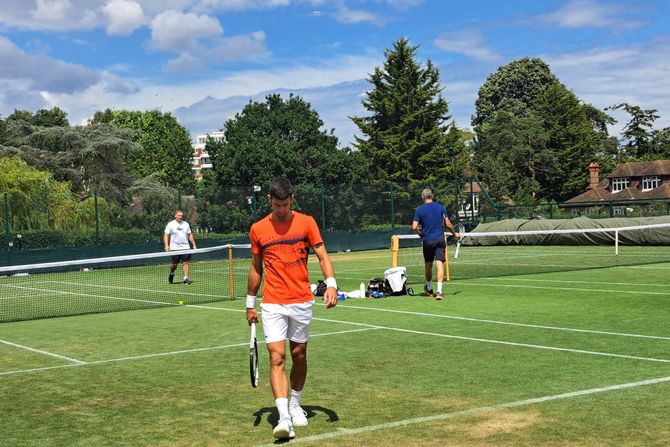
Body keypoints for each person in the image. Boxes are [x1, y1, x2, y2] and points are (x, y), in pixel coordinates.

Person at [245, 177, 338, 440]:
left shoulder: (307, 223)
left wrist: (331, 285)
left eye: (285, 204)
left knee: (299, 355)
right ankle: (284, 416)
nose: (281, 209)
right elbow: (255, 268)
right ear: (269, 201)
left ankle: (296, 404)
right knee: (277, 358)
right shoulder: (258, 229)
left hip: (301, 300)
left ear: (292, 200)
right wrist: (250, 303)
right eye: (277, 205)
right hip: (273, 302)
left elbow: (322, 254)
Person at [411, 188, 459, 300]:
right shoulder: (441, 208)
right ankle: (439, 291)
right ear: (431, 196)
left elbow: (414, 227)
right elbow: (448, 223)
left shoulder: (419, 210)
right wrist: (454, 233)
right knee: (439, 264)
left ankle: (429, 286)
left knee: (428, 265)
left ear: (423, 197)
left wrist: (420, 234)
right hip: (440, 240)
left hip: (427, 241)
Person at [163, 210, 197, 284]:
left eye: (181, 216)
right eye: (179, 215)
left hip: (186, 247)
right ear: (175, 216)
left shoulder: (186, 224)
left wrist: (194, 244)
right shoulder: (170, 224)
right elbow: (166, 235)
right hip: (174, 248)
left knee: (186, 262)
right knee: (174, 264)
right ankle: (172, 273)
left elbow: (190, 234)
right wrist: (166, 245)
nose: (180, 217)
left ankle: (186, 278)